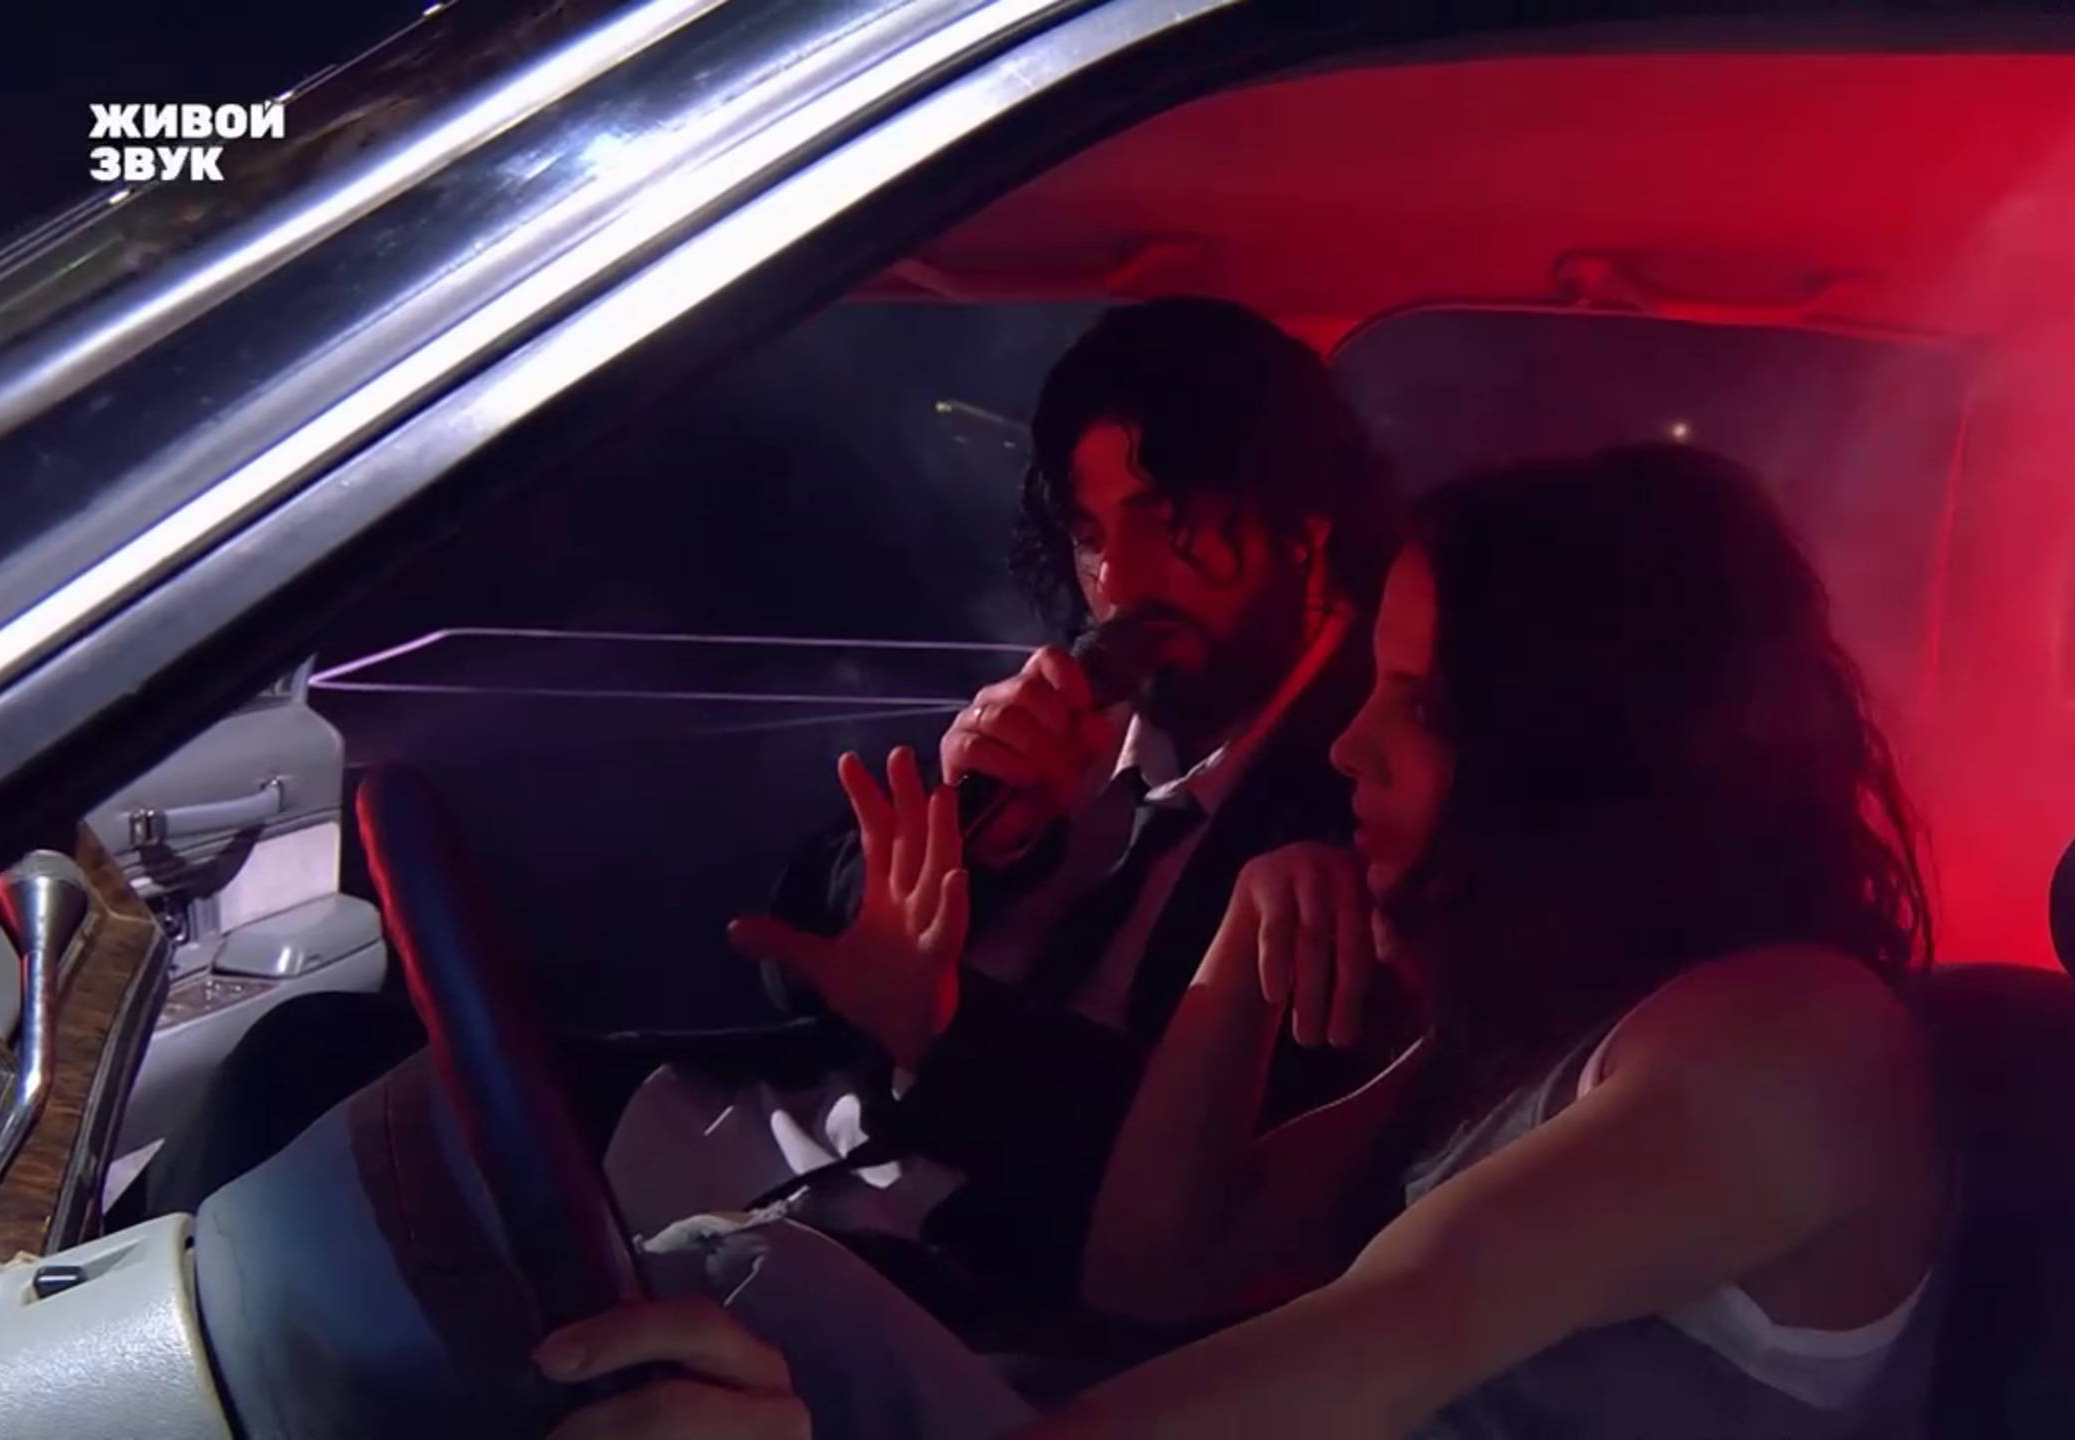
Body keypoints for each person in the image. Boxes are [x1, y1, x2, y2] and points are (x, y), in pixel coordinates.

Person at [536, 444, 1955, 1439]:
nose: (1349, 745)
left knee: (746, 1291)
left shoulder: (1791, 1041)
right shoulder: (1543, 1037)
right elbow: (1151, 1272)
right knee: (736, 1279)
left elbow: (1393, 1337)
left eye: (1420, 706)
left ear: (1579, 755)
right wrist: (1243, 939)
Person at [613, 297, 1402, 1333]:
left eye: (1170, 524)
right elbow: (797, 946)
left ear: (1303, 523)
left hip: (953, 1267)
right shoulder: (1080, 713)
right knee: (399, 1082)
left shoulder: (1370, 778)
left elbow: (1217, 1171)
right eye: (1089, 535)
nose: (1119, 582)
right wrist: (969, 835)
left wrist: (943, 1028)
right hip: (761, 1136)